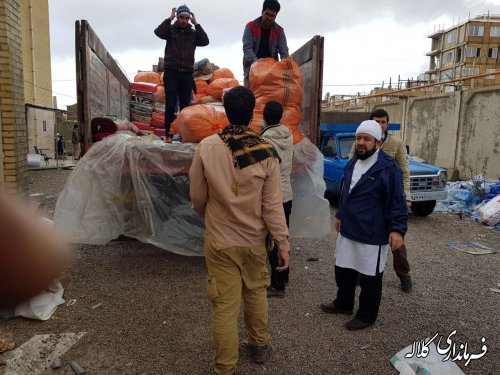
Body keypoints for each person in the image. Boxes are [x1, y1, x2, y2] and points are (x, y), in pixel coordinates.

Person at [189, 86, 290, 375]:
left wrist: (209, 214)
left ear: (225, 110)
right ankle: (260, 346)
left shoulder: (207, 146)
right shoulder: (266, 151)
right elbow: (273, 206)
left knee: (224, 305)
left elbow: (197, 195)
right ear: (251, 113)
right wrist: (283, 243)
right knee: (256, 293)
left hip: (220, 240)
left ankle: (225, 368)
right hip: (254, 241)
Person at [321, 120, 408, 331]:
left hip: (372, 233)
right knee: (343, 269)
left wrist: (397, 229)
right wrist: (341, 214)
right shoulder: (352, 163)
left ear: (378, 142)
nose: (361, 143)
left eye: (366, 139)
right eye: (359, 138)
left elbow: (397, 200)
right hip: (349, 228)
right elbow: (347, 193)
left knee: (370, 277)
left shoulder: (388, 168)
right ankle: (344, 303)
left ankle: (367, 315)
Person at [349, 109, 413, 292]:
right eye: (376, 121)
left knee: (396, 240)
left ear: (387, 124)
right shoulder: (360, 142)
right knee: (364, 239)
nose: (380, 124)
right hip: (369, 203)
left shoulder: (396, 144)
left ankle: (404, 275)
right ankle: (362, 273)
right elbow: (352, 168)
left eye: (383, 121)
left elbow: (404, 172)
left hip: (390, 200)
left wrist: (405, 197)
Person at [154, 4, 209, 142]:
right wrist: (169, 18)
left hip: (186, 74)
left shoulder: (193, 33)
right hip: (171, 73)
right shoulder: (170, 30)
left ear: (189, 19)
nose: (184, 20)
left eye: (186, 18)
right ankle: (168, 134)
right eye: (181, 17)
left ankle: (183, 136)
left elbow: (205, 41)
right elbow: (158, 32)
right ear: (177, 17)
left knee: (185, 107)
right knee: (171, 104)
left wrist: (196, 24)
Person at [260, 101, 293, 298]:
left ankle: (277, 285)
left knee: (273, 241)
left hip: (273, 195)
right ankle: (284, 274)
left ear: (264, 117)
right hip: (287, 194)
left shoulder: (264, 140)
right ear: (281, 117)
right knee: (283, 236)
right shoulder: (288, 135)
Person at [242, 0, 289, 88]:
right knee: (248, 98)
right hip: (251, 71)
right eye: (267, 14)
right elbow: (247, 49)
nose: (269, 18)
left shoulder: (279, 31)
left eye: (273, 15)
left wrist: (287, 65)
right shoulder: (250, 27)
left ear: (276, 16)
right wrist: (257, 63)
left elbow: (284, 52)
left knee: (270, 100)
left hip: (271, 73)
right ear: (262, 12)